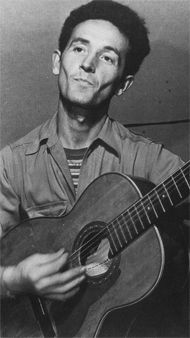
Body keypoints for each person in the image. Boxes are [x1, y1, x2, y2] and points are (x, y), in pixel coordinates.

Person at [0, 0, 188, 337]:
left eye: (107, 57)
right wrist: (14, 279)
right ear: (58, 62)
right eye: (79, 48)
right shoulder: (11, 163)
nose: (87, 64)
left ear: (123, 84)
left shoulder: (151, 161)